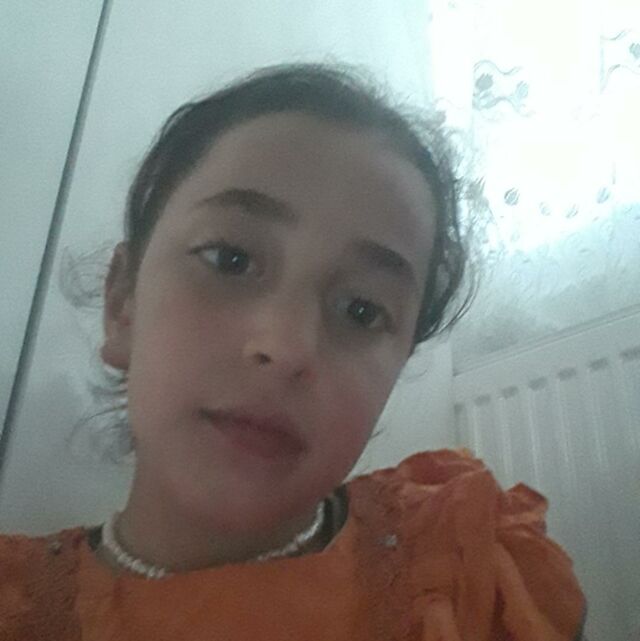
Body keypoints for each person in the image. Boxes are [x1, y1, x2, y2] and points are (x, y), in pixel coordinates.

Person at [0, 62, 586, 640]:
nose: (285, 347)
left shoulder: (469, 579)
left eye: (362, 311)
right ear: (123, 303)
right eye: (230, 259)